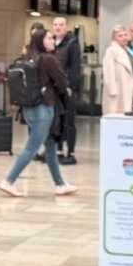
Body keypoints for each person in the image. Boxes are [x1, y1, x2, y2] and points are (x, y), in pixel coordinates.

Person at [0, 30, 78, 197]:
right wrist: (67, 90)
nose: (53, 41)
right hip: (44, 109)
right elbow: (61, 81)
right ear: (41, 41)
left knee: (50, 146)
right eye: (49, 38)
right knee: (32, 147)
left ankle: (60, 184)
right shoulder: (48, 59)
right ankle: (9, 181)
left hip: (29, 109)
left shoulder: (28, 57)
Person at [51, 17, 82, 164]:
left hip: (67, 89)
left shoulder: (72, 44)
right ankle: (58, 151)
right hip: (55, 88)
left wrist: (71, 87)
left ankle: (71, 152)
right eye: (55, 25)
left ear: (67, 27)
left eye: (61, 25)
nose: (58, 27)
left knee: (69, 121)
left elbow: (75, 69)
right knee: (57, 121)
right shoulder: (52, 42)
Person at [102, 24, 133, 115]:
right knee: (117, 116)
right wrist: (112, 91)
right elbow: (108, 73)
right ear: (114, 38)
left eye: (125, 35)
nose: (124, 38)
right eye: (120, 36)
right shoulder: (111, 51)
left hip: (130, 91)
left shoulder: (127, 50)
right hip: (118, 92)